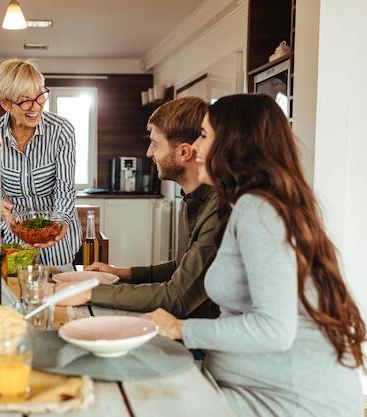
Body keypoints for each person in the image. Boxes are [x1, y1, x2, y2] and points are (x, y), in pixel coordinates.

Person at [144, 94, 365, 416]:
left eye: (204, 136)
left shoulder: (258, 210)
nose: (197, 148)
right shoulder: (254, 206)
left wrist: (179, 328)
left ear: (234, 144)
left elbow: (273, 329)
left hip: (289, 402)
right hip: (254, 388)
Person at [57, 96, 219, 319]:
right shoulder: (189, 199)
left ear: (184, 152)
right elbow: (182, 267)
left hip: (201, 339)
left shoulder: (218, 210)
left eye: (155, 144)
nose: (148, 153)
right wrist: (121, 273)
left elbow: (177, 297)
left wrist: (87, 291)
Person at [0, 58, 82, 268]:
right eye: (25, 101)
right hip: (15, 237)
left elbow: (65, 190)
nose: (36, 107)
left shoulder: (62, 131)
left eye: (40, 96)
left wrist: (59, 222)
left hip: (57, 237)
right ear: (5, 103)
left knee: (58, 293)